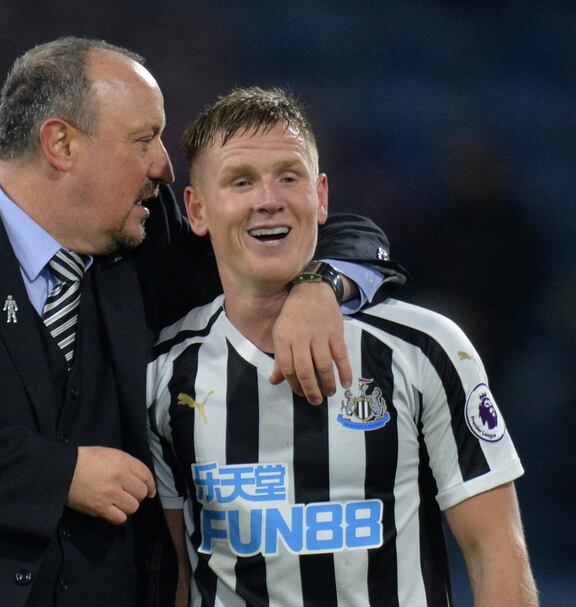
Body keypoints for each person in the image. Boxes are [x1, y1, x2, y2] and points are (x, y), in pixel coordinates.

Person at [0, 38, 404, 607]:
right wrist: (60, 474)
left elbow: (344, 234)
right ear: (61, 144)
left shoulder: (149, 240)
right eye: (145, 139)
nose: (165, 166)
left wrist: (317, 287)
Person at [147, 87, 537, 606]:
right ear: (196, 209)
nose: (269, 199)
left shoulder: (423, 349)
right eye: (241, 181)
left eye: (289, 177)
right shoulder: (165, 371)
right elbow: (175, 575)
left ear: (321, 196)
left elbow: (495, 552)